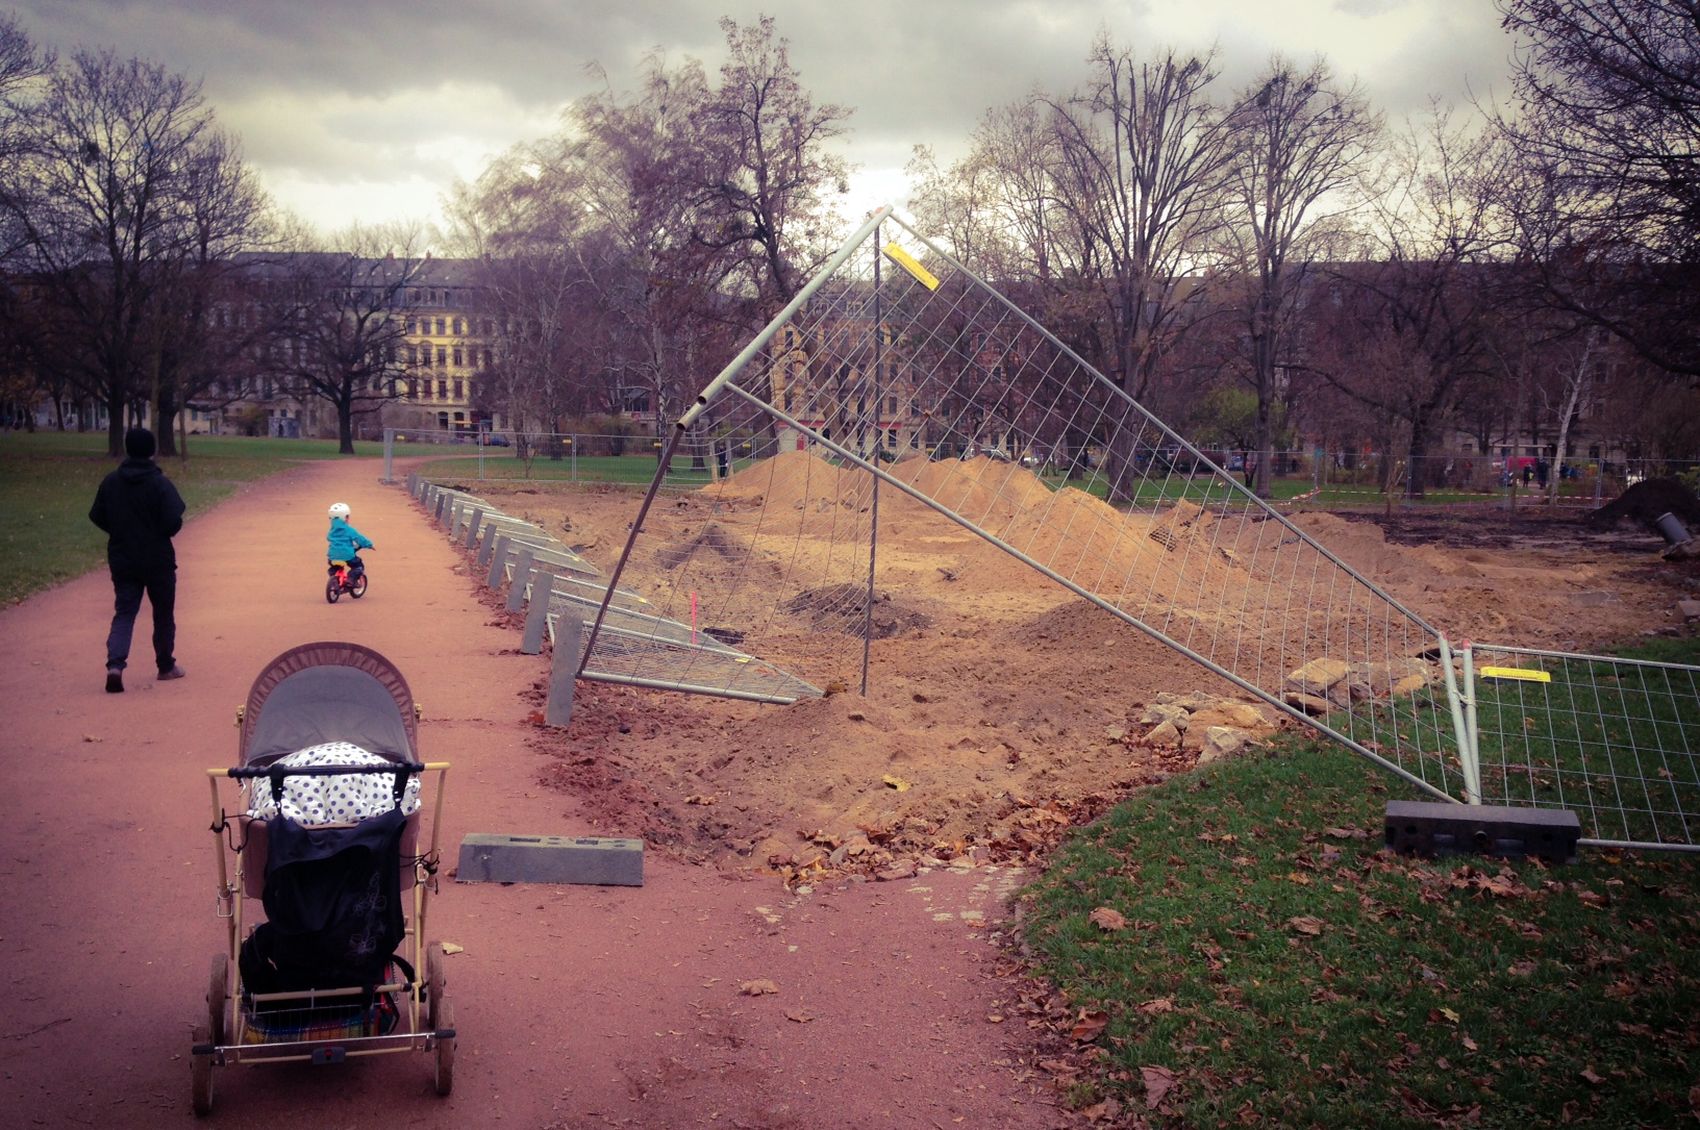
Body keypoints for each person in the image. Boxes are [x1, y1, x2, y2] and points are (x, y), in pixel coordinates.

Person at [89, 426, 186, 693]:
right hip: (157, 558)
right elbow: (173, 521)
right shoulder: (160, 483)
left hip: (123, 557)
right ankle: (166, 666)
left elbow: (97, 515)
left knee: (125, 611)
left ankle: (115, 665)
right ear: (152, 451)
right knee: (163, 613)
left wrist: (121, 530)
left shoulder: (111, 481)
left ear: (128, 449)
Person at [326, 502, 374, 577]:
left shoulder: (331, 530)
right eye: (347, 516)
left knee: (335, 566)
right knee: (358, 566)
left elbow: (328, 538)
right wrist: (369, 545)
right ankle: (351, 580)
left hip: (332, 557)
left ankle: (333, 573)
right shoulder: (349, 530)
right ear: (345, 518)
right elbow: (359, 539)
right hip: (347, 556)